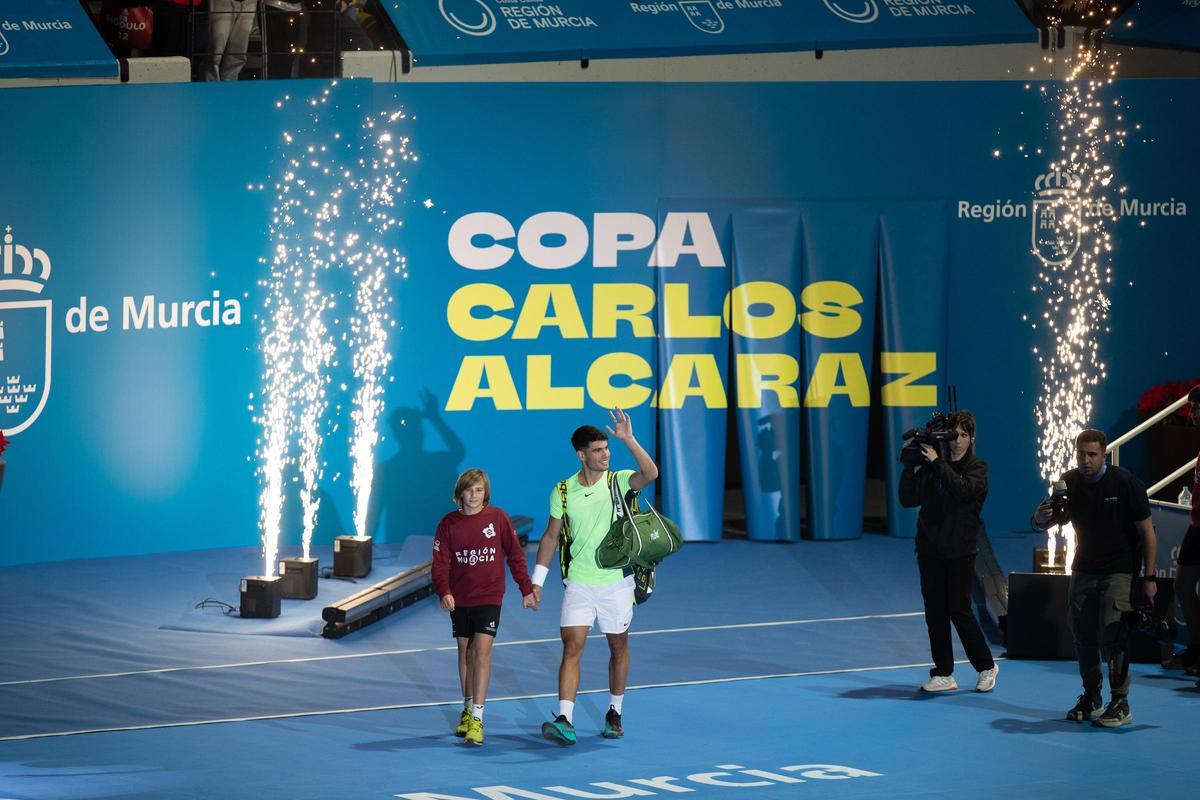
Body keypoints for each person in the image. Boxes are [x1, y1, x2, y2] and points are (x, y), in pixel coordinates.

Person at [531, 409, 659, 745]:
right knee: (572, 647)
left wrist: (628, 439)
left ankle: (614, 711)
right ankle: (565, 718)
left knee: (618, 647)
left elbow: (651, 472)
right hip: (578, 582)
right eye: (599, 450)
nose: (605, 454)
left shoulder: (619, 481)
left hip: (616, 582)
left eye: (607, 449)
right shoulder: (562, 491)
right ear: (582, 454)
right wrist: (537, 583)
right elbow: (550, 537)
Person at [1033, 428, 1157, 728]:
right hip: (1084, 569)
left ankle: (1120, 701)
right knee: (1082, 635)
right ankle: (1092, 695)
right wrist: (1040, 516)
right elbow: (1048, 521)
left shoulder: (1126, 484)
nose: (1085, 460)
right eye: (1081, 454)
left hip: (1119, 570)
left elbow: (1148, 534)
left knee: (1112, 634)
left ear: (1104, 455)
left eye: (1092, 455)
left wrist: (1150, 577)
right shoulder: (1069, 482)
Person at [431, 468, 535, 746]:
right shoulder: (448, 524)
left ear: (485, 493)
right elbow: (440, 563)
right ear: (460, 493)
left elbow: (515, 555)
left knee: (482, 652)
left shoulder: (498, 518)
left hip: (489, 596)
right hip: (460, 598)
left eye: (479, 490)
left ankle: (478, 718)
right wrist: (444, 591)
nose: (474, 495)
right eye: (469, 490)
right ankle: (466, 709)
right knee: (465, 652)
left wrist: (526, 588)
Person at [899, 411, 999, 694]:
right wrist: (909, 467)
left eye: (963, 436)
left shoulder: (978, 468)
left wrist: (937, 463)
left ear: (972, 439)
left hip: (960, 551)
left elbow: (963, 491)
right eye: (953, 435)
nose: (957, 442)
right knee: (935, 613)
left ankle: (986, 667)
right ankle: (943, 673)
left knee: (959, 610)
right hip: (930, 549)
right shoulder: (932, 467)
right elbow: (908, 499)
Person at [1167, 386, 1200, 675]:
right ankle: (1195, 650)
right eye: (1192, 408)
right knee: (1183, 586)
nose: (1192, 415)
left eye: (1197, 409)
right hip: (1197, 527)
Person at [207, 0, 259, 81]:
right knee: (215, 51)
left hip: (249, 2)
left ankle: (230, 86)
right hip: (223, 3)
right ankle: (210, 88)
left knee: (238, 52)